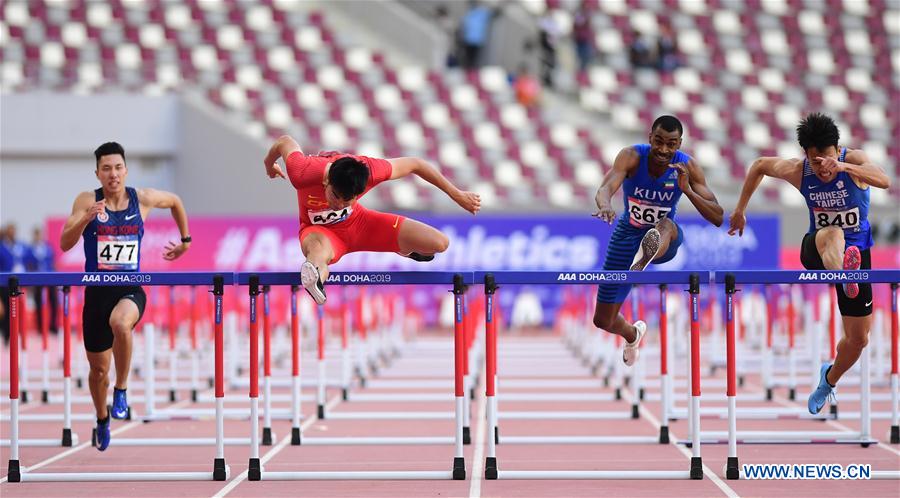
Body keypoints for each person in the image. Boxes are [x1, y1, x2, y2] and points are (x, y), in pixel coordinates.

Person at [727, 112, 891, 415]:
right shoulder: (798, 171)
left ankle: (828, 379)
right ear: (806, 155)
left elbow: (884, 179)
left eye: (828, 160)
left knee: (859, 339)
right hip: (816, 248)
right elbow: (759, 165)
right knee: (833, 233)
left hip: (857, 253)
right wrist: (739, 210)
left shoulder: (853, 160)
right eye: (816, 162)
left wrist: (843, 166)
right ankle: (845, 277)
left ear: (837, 149)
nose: (823, 170)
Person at [59, 142, 192, 451]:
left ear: (125, 170)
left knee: (121, 323)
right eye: (106, 169)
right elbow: (65, 243)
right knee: (98, 372)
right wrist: (86, 218)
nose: (113, 174)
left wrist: (185, 241)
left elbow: (174, 201)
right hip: (96, 293)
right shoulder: (86, 200)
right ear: (98, 173)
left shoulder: (141, 198)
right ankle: (102, 417)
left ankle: (122, 390)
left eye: (118, 167)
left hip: (130, 289)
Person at [262, 135, 481, 305]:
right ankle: (315, 277)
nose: (338, 205)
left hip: (360, 224)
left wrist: (457, 194)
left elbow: (415, 164)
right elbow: (285, 141)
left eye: (347, 200)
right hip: (320, 233)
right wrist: (268, 164)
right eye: (335, 196)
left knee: (439, 244)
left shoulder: (369, 170)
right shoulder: (303, 172)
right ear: (327, 181)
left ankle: (401, 248)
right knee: (318, 254)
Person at [592, 115, 723, 366]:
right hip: (627, 233)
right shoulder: (631, 156)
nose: (664, 149)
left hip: (665, 238)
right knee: (603, 320)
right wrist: (606, 205)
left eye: (671, 144)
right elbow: (605, 188)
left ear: (679, 144)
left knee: (664, 226)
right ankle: (633, 334)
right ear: (650, 137)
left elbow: (717, 216)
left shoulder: (688, 166)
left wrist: (686, 189)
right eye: (659, 141)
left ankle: (644, 257)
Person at [28, 227, 58, 334]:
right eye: (35, 234)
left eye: (39, 234)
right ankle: (40, 327)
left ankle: (53, 326)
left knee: (53, 302)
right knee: (39, 303)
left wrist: (56, 276)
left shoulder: (48, 247)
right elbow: (29, 265)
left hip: (50, 277)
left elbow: (53, 262)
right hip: (37, 279)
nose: (37, 236)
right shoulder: (30, 249)